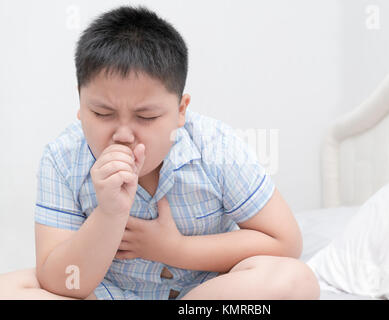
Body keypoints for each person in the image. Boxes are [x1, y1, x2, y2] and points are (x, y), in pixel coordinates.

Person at [0, 5, 319, 300]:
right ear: (81, 106)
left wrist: (173, 249)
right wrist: (109, 213)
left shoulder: (216, 146)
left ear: (181, 111)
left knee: (296, 280)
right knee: (9, 288)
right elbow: (61, 280)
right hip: (109, 292)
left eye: (146, 117)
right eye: (102, 113)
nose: (122, 134)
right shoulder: (62, 158)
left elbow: (284, 242)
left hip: (202, 297)